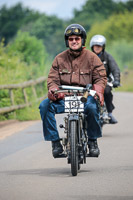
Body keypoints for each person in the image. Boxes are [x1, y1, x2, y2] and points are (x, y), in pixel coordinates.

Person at [39, 24, 107, 158]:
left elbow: (100, 77)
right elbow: (52, 79)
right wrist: (54, 90)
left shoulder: (93, 58)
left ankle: (93, 142)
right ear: (67, 41)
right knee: (44, 106)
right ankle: (55, 143)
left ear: (82, 40)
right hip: (64, 98)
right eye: (71, 39)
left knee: (93, 108)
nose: (74, 41)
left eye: (77, 38)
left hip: (85, 98)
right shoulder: (59, 59)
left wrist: (98, 91)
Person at [90, 35, 120, 124]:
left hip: (105, 81)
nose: (97, 48)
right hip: (89, 82)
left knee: (107, 91)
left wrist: (116, 80)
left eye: (99, 46)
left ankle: (109, 113)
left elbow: (115, 69)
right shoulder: (88, 56)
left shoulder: (108, 57)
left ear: (103, 47)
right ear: (92, 47)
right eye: (96, 46)